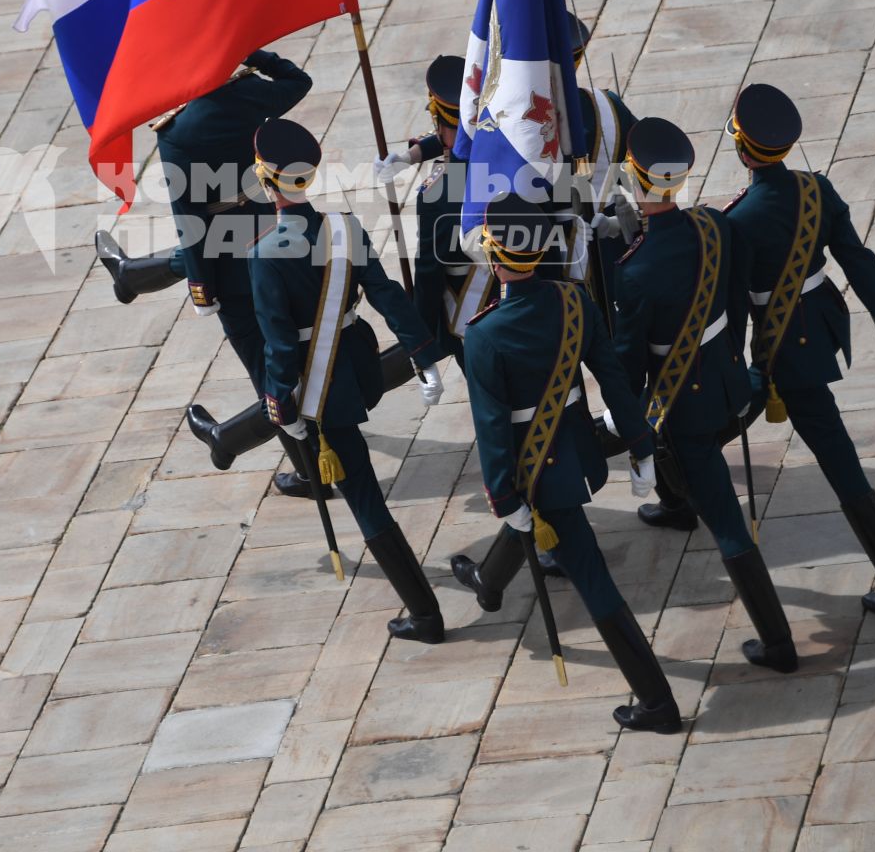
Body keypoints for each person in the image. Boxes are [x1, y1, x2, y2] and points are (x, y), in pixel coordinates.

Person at [448, 190, 679, 732]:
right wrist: (641, 445)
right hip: (575, 447)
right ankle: (488, 581)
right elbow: (614, 380)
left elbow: (493, 430)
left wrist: (504, 495)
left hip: (537, 475)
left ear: (495, 256)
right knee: (533, 529)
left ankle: (657, 702)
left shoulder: (484, 336)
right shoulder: (575, 300)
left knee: (592, 577)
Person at [719, 83, 875, 619]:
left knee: (838, 460)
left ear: (741, 149)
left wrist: (741, 369)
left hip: (780, 349)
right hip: (819, 330)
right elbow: (858, 260)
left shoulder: (738, 221)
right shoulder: (816, 189)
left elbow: (737, 308)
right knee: (835, 454)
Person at [249, 118, 449, 643]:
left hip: (321, 388)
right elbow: (385, 294)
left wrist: (282, 409)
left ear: (265, 179)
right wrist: (422, 353)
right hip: (357, 364)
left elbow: (279, 346)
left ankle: (424, 613)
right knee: (356, 487)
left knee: (363, 496)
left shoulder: (264, 255)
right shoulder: (344, 226)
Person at [613, 118, 797, 672]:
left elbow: (631, 361)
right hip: (728, 381)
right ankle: (674, 506)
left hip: (685, 407)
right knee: (701, 486)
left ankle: (778, 644)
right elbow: (737, 300)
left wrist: (631, 424)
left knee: (726, 520)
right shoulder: (715, 226)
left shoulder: (634, 270)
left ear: (634, 177)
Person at [89, 49, 313, 491]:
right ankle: (131, 276)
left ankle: (310, 472)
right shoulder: (251, 92)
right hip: (273, 227)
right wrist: (253, 53)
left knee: (264, 369)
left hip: (228, 259)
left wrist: (202, 290)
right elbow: (299, 81)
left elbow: (189, 225)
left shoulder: (177, 132)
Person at [371, 55, 490, 363]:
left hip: (473, 307)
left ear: (436, 118)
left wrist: (423, 336)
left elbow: (429, 271)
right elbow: (459, 137)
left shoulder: (437, 194)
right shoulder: (503, 146)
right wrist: (409, 156)